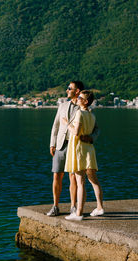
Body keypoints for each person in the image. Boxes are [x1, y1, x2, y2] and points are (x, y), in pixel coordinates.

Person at [46, 81, 100, 216]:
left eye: (69, 88)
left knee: (73, 176)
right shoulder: (62, 106)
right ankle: (55, 206)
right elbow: (56, 125)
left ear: (77, 91)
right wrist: (52, 143)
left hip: (75, 145)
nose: (66, 90)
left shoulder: (84, 108)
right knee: (57, 175)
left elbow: (97, 129)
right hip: (60, 144)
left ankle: (73, 206)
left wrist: (91, 138)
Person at [62, 90, 104, 221]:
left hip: (79, 148)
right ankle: (99, 207)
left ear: (85, 101)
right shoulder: (91, 115)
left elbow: (76, 132)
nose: (78, 98)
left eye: (80, 97)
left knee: (80, 182)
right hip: (89, 148)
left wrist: (67, 123)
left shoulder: (80, 113)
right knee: (93, 179)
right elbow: (96, 130)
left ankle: (78, 213)